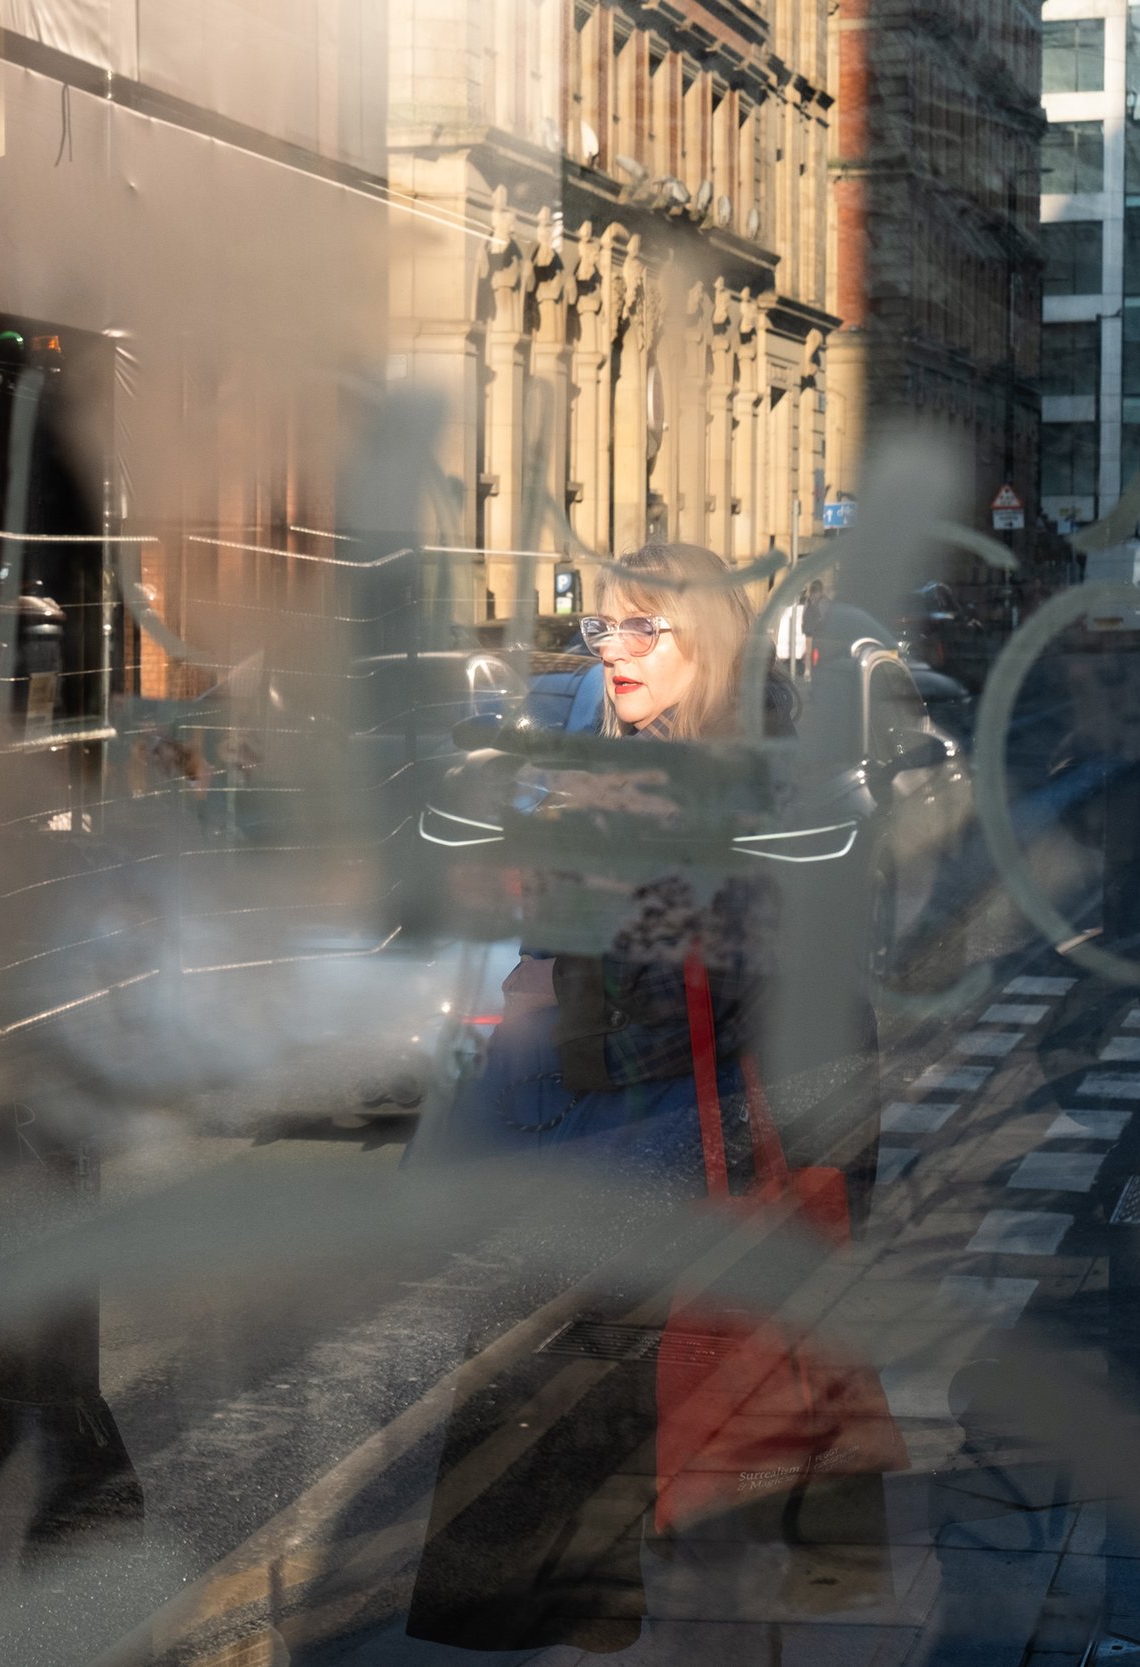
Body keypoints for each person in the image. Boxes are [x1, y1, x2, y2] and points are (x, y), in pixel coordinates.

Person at [404, 543, 847, 1656]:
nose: (614, 653)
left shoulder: (777, 768)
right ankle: (582, 1612)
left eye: (642, 629)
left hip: (693, 1144)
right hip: (566, 1129)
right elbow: (443, 848)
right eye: (602, 629)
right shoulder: (573, 746)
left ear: (710, 642)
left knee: (688, 1484)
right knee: (546, 1458)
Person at [798, 579, 828, 679]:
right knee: (808, 651)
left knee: (818, 652)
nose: (814, 594)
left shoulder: (823, 600)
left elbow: (822, 615)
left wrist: (814, 605)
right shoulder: (809, 600)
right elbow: (805, 612)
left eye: (815, 592)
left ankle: (816, 671)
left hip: (819, 630)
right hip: (810, 629)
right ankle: (807, 671)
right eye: (813, 592)